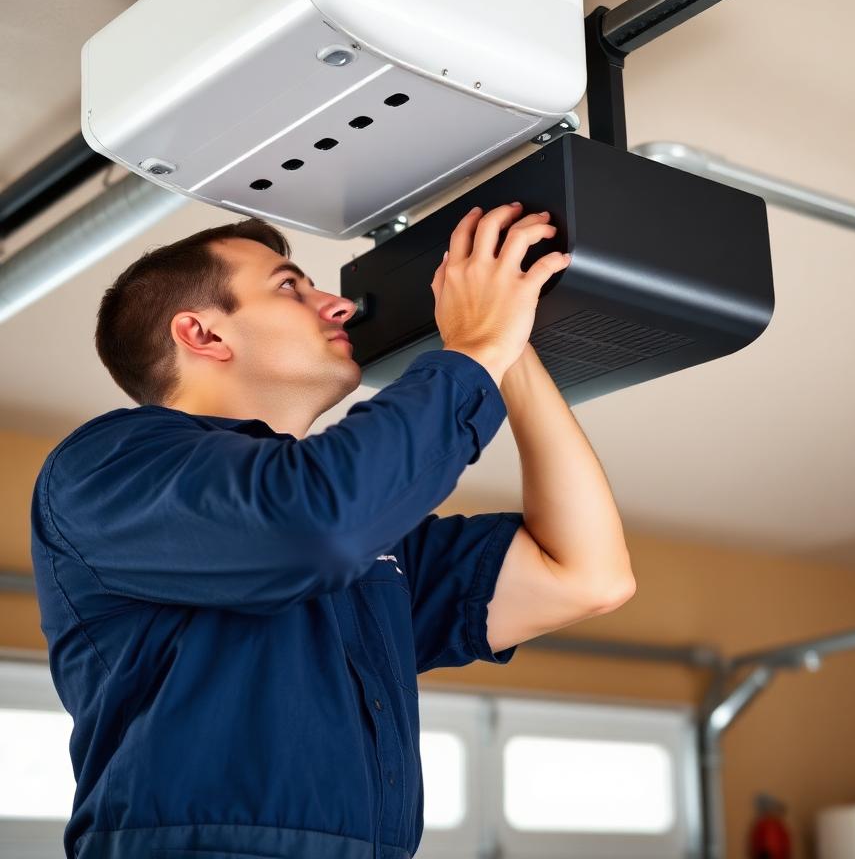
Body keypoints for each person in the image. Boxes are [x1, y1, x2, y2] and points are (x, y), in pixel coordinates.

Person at [30, 200, 635, 859]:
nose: (337, 305)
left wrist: (503, 344)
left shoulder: (371, 543)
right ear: (202, 335)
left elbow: (585, 576)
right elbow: (317, 523)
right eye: (290, 287)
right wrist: (474, 347)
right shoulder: (110, 466)